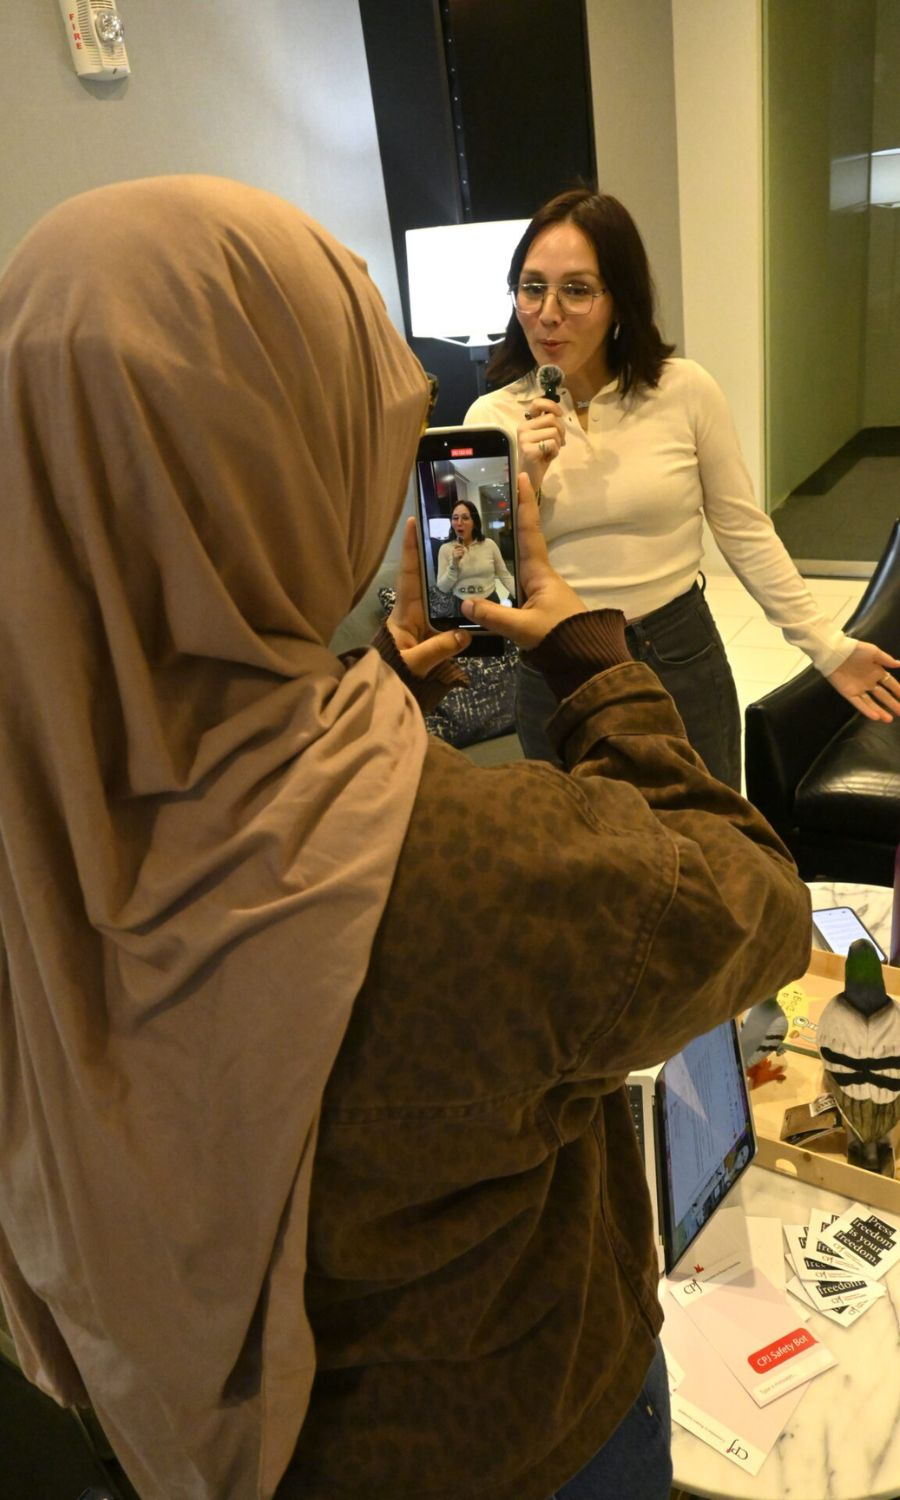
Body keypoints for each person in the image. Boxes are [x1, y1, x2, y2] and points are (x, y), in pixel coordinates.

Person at [0, 176, 812, 1500]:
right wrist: (600, 662)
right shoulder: (481, 868)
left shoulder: (37, 826)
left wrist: (368, 697)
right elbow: (754, 905)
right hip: (517, 1443)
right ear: (287, 466)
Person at [465, 187, 900, 785]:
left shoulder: (684, 390)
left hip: (675, 653)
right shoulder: (491, 419)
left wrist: (827, 646)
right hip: (558, 668)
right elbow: (482, 575)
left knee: (714, 847)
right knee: (587, 861)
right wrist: (528, 486)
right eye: (532, 286)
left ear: (620, 299)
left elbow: (744, 529)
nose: (548, 312)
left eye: (577, 289)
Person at [435, 497, 516, 607]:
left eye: (465, 518)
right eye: (455, 518)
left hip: (490, 601)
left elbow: (504, 575)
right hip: (461, 605)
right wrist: (454, 565)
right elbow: (442, 588)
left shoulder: (489, 544)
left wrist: (520, 596)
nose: (459, 522)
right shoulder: (445, 549)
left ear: (474, 522)